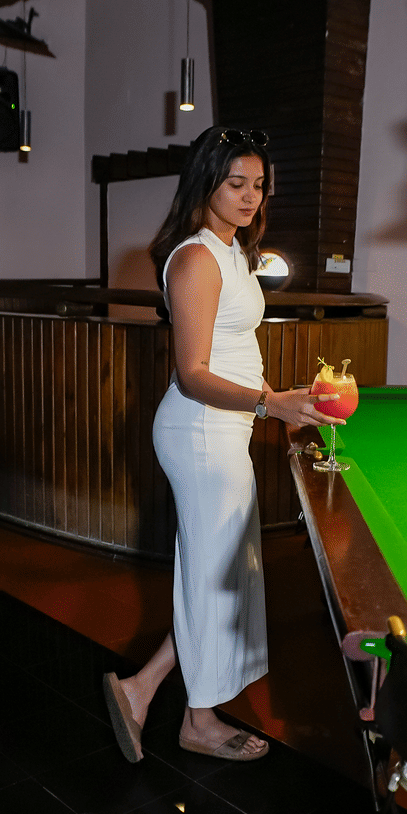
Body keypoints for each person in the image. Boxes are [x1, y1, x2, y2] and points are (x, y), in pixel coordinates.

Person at [103, 126, 343, 763]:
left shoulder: (234, 254)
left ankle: (141, 689)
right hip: (198, 432)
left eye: (258, 186)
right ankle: (196, 721)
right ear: (205, 182)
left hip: (225, 429)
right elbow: (193, 372)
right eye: (236, 183)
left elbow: (236, 352)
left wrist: (281, 405)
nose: (250, 197)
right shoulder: (195, 258)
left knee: (219, 577)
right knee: (214, 581)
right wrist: (271, 404)